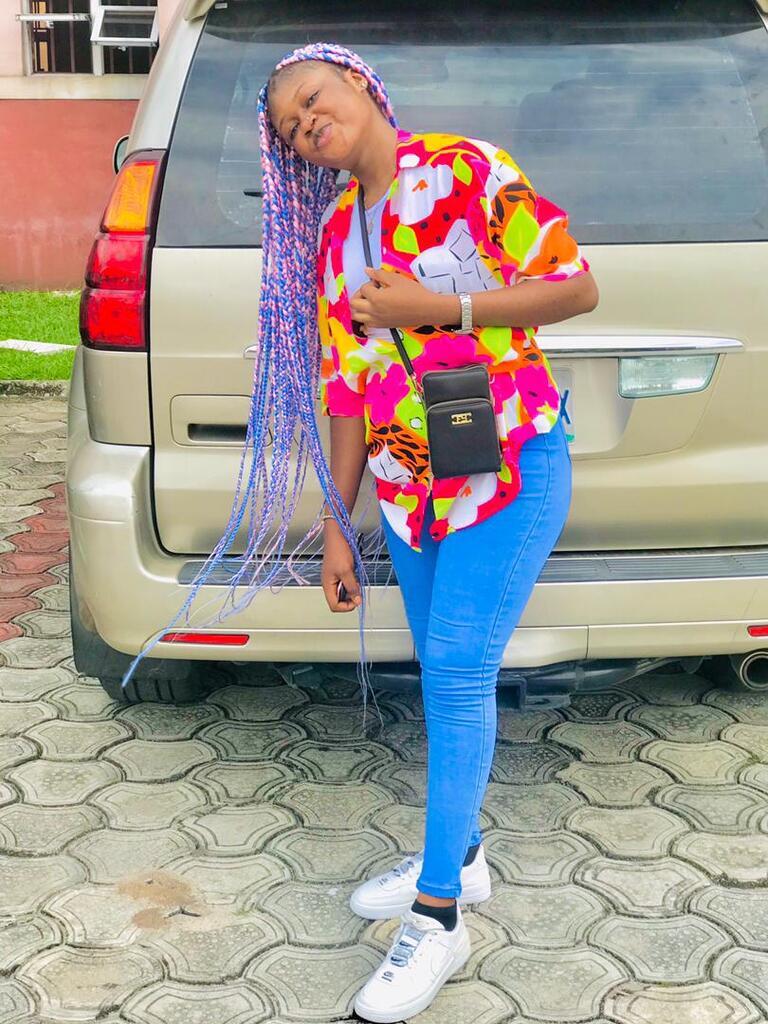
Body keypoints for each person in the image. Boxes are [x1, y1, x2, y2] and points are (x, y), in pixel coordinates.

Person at [264, 41, 598, 1023]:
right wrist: (338, 524)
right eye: (289, 128)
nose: (307, 124)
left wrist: (440, 306)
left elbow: (575, 285)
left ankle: (440, 912)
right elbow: (346, 389)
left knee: (455, 672)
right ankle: (465, 853)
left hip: (511, 465)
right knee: (441, 669)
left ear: (360, 85)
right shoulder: (335, 234)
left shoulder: (466, 169)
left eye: (312, 99)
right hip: (412, 490)